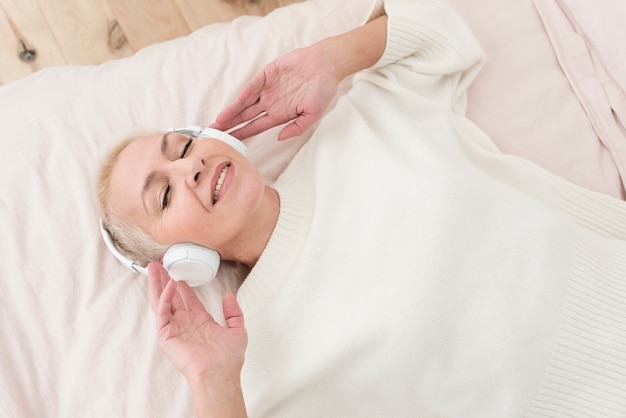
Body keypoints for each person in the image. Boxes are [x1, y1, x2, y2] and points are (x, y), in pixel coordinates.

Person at [98, 0, 626, 416]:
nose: (188, 167)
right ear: (179, 260)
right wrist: (212, 384)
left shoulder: (358, 129)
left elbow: (442, 33)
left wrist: (333, 57)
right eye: (163, 195)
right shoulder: (257, 358)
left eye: (183, 145)